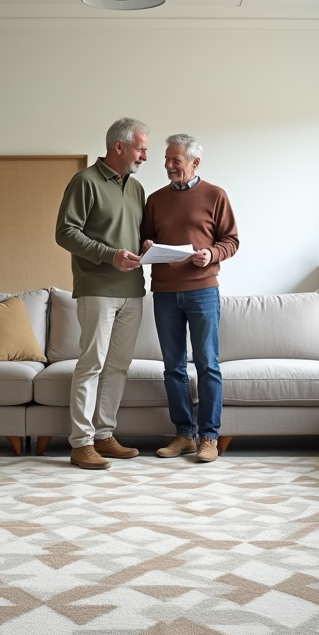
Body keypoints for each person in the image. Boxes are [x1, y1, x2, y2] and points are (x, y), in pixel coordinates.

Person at [54, 118, 150, 470]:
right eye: (141, 148)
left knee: (118, 366)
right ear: (119, 147)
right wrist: (109, 255)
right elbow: (65, 232)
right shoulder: (85, 182)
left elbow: (132, 233)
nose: (144, 156)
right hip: (97, 289)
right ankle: (81, 443)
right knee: (92, 364)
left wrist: (146, 245)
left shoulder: (136, 188)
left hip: (133, 290)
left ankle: (104, 435)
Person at [140, 134, 239, 463]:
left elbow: (232, 240)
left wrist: (211, 254)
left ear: (194, 163)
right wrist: (146, 248)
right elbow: (144, 239)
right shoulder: (154, 200)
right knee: (173, 368)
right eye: (167, 160)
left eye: (175, 161)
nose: (168, 166)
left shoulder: (215, 195)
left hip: (203, 290)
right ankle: (184, 433)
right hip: (164, 292)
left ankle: (208, 437)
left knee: (208, 365)